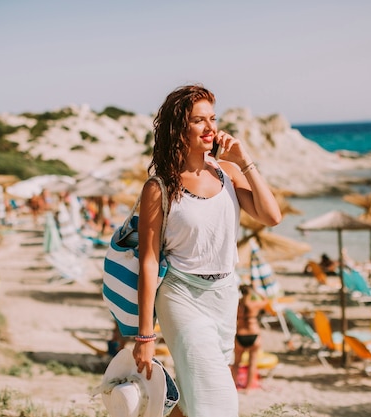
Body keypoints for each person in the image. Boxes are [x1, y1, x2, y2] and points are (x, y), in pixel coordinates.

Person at [132, 84, 281, 417]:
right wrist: (145, 336)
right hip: (180, 296)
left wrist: (243, 161)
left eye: (213, 118)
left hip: (225, 295)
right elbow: (149, 261)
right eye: (199, 121)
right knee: (218, 402)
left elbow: (272, 216)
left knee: (191, 398)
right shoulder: (159, 188)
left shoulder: (226, 172)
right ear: (179, 128)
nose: (211, 128)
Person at [231, 284, 268, 392]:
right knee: (252, 363)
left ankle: (233, 387)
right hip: (254, 335)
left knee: (236, 364)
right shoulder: (254, 304)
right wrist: (256, 291)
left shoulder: (237, 304)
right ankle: (248, 388)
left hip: (240, 335)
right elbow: (266, 300)